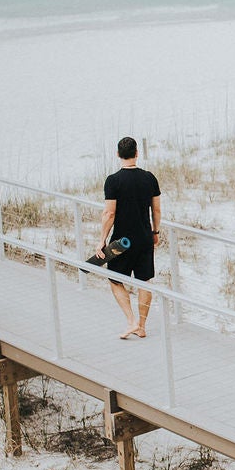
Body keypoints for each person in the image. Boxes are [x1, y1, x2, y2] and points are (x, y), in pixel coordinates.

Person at [96, 137, 161, 340]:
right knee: (144, 282)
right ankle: (141, 326)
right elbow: (156, 209)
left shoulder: (113, 181)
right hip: (144, 237)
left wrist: (102, 240)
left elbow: (109, 214)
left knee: (115, 279)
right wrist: (155, 232)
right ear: (136, 153)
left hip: (121, 241)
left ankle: (131, 321)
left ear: (117, 154)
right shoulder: (149, 178)